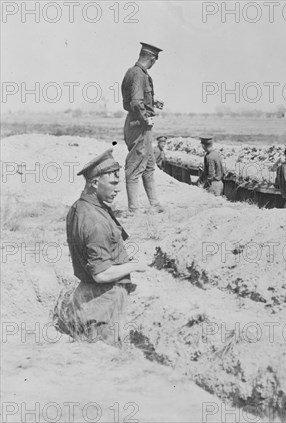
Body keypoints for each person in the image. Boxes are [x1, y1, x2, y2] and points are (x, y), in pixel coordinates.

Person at [63, 149, 148, 346]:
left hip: (87, 299)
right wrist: (135, 266)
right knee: (106, 358)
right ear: (94, 183)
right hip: (101, 305)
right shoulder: (95, 221)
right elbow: (102, 274)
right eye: (113, 183)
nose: (118, 189)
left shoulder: (82, 207)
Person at [121, 42, 165, 213]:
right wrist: (146, 119)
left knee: (148, 165)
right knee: (134, 166)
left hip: (139, 125)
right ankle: (133, 209)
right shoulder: (139, 74)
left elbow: (139, 99)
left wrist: (153, 102)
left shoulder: (133, 72)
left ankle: (154, 203)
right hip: (138, 126)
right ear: (152, 59)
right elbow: (136, 102)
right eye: (155, 60)